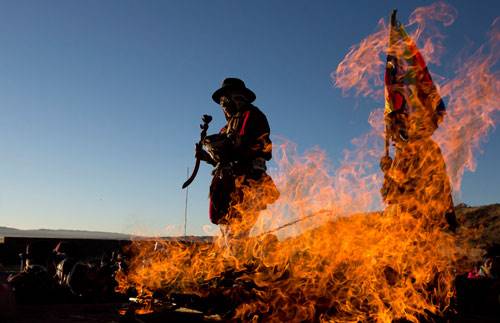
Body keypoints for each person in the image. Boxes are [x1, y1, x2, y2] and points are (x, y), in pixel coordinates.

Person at [196, 78, 279, 251]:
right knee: (223, 222)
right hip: (227, 181)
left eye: (225, 100)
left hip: (248, 179)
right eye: (221, 102)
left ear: (237, 97)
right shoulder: (225, 129)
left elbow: (262, 149)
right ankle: (233, 263)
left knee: (239, 226)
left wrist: (233, 149)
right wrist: (207, 157)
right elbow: (223, 157)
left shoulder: (253, 115)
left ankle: (252, 259)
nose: (223, 105)